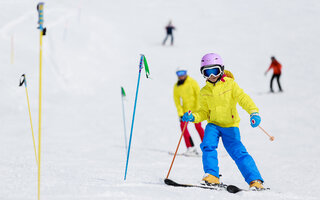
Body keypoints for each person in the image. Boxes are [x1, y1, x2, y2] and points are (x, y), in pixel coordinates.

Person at [181, 53, 265, 190]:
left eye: (215, 71)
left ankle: (255, 180)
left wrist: (253, 112)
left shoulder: (231, 85)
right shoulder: (204, 91)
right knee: (207, 145)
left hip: (230, 125)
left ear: (221, 69)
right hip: (213, 124)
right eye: (207, 72)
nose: (211, 75)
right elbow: (203, 112)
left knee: (238, 152)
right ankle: (212, 176)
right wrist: (193, 117)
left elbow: (243, 98)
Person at [173, 68, 204, 156]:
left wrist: (198, 109)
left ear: (186, 73)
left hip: (195, 110)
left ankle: (207, 146)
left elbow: (198, 95)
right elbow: (177, 101)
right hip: (186, 111)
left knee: (198, 127)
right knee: (183, 127)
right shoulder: (177, 86)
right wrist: (180, 113)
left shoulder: (192, 82)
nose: (181, 75)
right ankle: (190, 147)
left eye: (183, 73)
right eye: (179, 73)